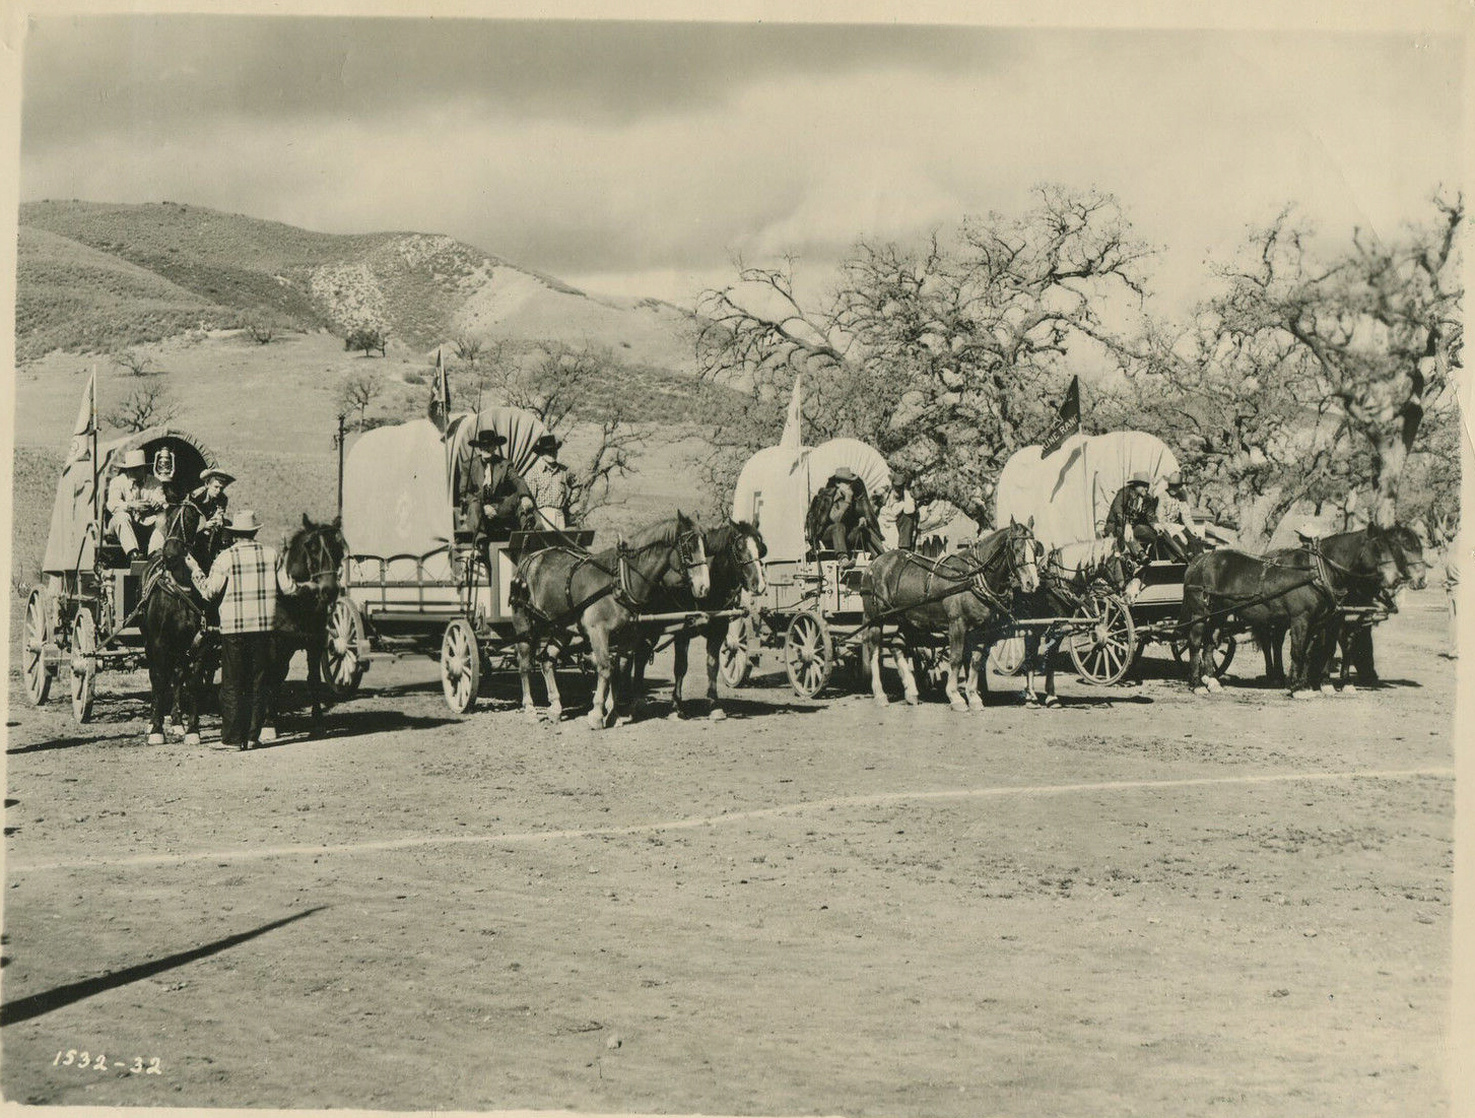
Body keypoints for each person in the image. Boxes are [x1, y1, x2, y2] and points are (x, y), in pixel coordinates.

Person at [200, 511, 302, 751]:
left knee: (233, 683)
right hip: (264, 629)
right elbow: (288, 589)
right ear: (255, 532)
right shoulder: (271, 555)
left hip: (233, 629)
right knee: (259, 681)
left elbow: (209, 592)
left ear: (234, 534)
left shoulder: (225, 558)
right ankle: (253, 736)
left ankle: (233, 740)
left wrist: (197, 576)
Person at [464, 430, 535, 542]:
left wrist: (525, 496)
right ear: (479, 448)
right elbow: (464, 493)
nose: (486, 448)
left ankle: (527, 532)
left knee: (518, 497)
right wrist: (483, 507)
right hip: (479, 508)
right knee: (474, 506)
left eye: (490, 445)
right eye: (483, 446)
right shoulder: (469, 466)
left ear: (495, 447)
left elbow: (517, 480)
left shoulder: (504, 464)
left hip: (499, 506)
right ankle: (480, 541)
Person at [106, 448, 169, 560]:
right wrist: (130, 505)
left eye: (136, 469)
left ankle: (154, 555)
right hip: (121, 527)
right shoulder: (118, 482)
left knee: (162, 519)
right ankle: (134, 555)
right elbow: (112, 504)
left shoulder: (154, 483)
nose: (132, 472)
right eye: (130, 469)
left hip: (146, 524)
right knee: (121, 516)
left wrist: (156, 504)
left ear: (143, 469)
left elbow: (163, 502)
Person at [1103, 472, 1159, 559]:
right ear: (1136, 485)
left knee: (1153, 534)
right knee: (1127, 534)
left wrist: (1156, 524)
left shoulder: (1147, 499)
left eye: (1147, 486)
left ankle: (1152, 556)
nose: (1146, 489)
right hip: (1116, 525)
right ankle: (1140, 553)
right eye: (1143, 486)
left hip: (1133, 527)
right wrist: (1126, 524)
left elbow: (1150, 515)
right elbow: (1117, 510)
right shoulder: (1124, 493)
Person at [1153, 471, 1203, 561]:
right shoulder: (1162, 497)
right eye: (1172, 486)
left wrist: (1193, 530)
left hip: (1176, 525)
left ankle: (1199, 556)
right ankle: (1186, 555)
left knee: (1192, 537)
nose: (1174, 489)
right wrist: (1176, 532)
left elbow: (1186, 516)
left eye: (1176, 486)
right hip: (1165, 526)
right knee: (1176, 538)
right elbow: (1160, 519)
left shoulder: (1181, 497)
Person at [526, 433, 572, 530]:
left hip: (560, 515)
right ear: (541, 453)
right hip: (542, 515)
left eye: (554, 450)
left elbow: (577, 485)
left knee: (561, 544)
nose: (552, 453)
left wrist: (570, 504)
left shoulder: (563, 471)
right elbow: (529, 499)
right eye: (548, 451)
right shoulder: (534, 472)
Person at [878, 475, 918, 551]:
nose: (898, 490)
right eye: (896, 487)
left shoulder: (906, 497)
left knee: (908, 517)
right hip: (883, 524)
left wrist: (906, 492)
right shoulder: (885, 493)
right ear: (893, 485)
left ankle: (904, 548)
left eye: (900, 487)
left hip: (894, 525)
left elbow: (909, 510)